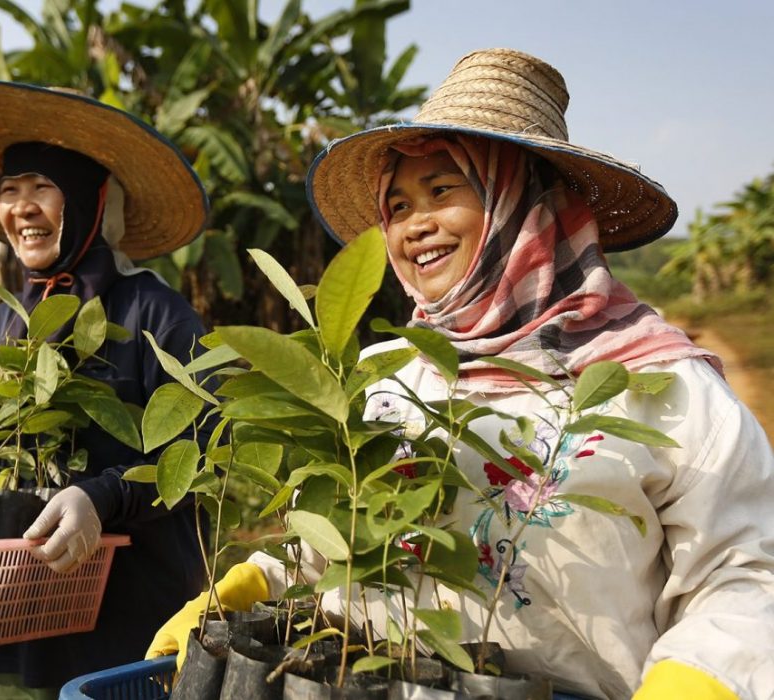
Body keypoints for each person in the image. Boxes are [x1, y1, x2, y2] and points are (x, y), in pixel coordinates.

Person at [147, 49, 774, 699]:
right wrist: (258, 580)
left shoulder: (662, 386)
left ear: (520, 203)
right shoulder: (381, 377)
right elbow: (334, 540)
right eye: (398, 204)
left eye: (442, 190)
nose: (416, 224)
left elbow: (747, 574)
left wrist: (697, 680)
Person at [0, 81, 211, 698]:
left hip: (125, 624)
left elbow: (199, 454)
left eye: (43, 187)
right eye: (10, 192)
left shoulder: (155, 312)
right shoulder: (6, 319)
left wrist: (103, 496)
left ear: (93, 202)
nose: (23, 206)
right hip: (11, 612)